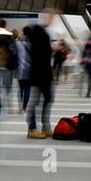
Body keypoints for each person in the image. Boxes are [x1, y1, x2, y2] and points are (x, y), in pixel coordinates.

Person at [24, 11, 55, 139]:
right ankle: (32, 128)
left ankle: (45, 127)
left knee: (48, 99)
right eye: (50, 16)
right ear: (44, 17)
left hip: (44, 73)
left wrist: (51, 49)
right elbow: (40, 53)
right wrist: (52, 48)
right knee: (35, 101)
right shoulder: (37, 31)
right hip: (39, 74)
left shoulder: (42, 33)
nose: (52, 19)